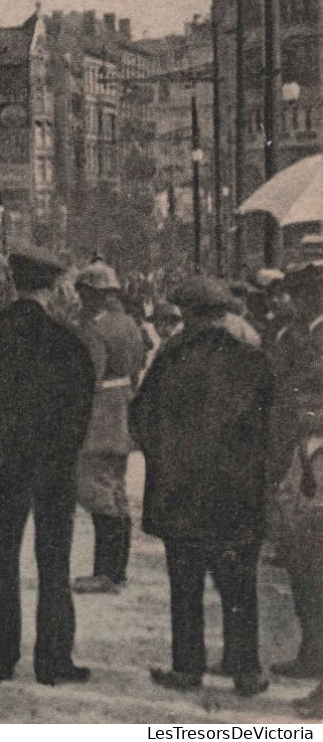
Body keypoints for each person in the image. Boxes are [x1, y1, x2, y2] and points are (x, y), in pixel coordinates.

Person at [0, 246, 96, 686]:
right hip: (52, 467)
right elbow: (81, 405)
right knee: (54, 563)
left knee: (1, 559)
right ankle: (53, 660)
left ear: (13, 283)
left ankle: (0, 657)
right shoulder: (67, 341)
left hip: (0, 466)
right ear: (52, 288)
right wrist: (64, 448)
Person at [131, 277, 272, 698]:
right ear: (225, 315)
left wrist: (166, 460)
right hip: (237, 496)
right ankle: (246, 671)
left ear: (188, 316)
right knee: (239, 585)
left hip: (181, 495)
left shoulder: (171, 360)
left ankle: (188, 668)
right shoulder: (252, 360)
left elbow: (141, 419)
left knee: (186, 586)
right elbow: (270, 428)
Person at [71, 262, 150, 595]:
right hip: (122, 412)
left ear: (96, 295)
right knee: (116, 493)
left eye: (85, 293)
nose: (81, 299)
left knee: (97, 491)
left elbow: (88, 377)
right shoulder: (130, 324)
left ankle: (105, 572)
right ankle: (117, 570)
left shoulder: (94, 329)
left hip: (99, 416)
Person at [268, 260, 323, 687]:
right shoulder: (304, 335)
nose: (296, 302)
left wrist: (303, 413)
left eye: (303, 294)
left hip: (316, 455)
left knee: (314, 559)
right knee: (303, 560)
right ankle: (311, 652)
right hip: (300, 451)